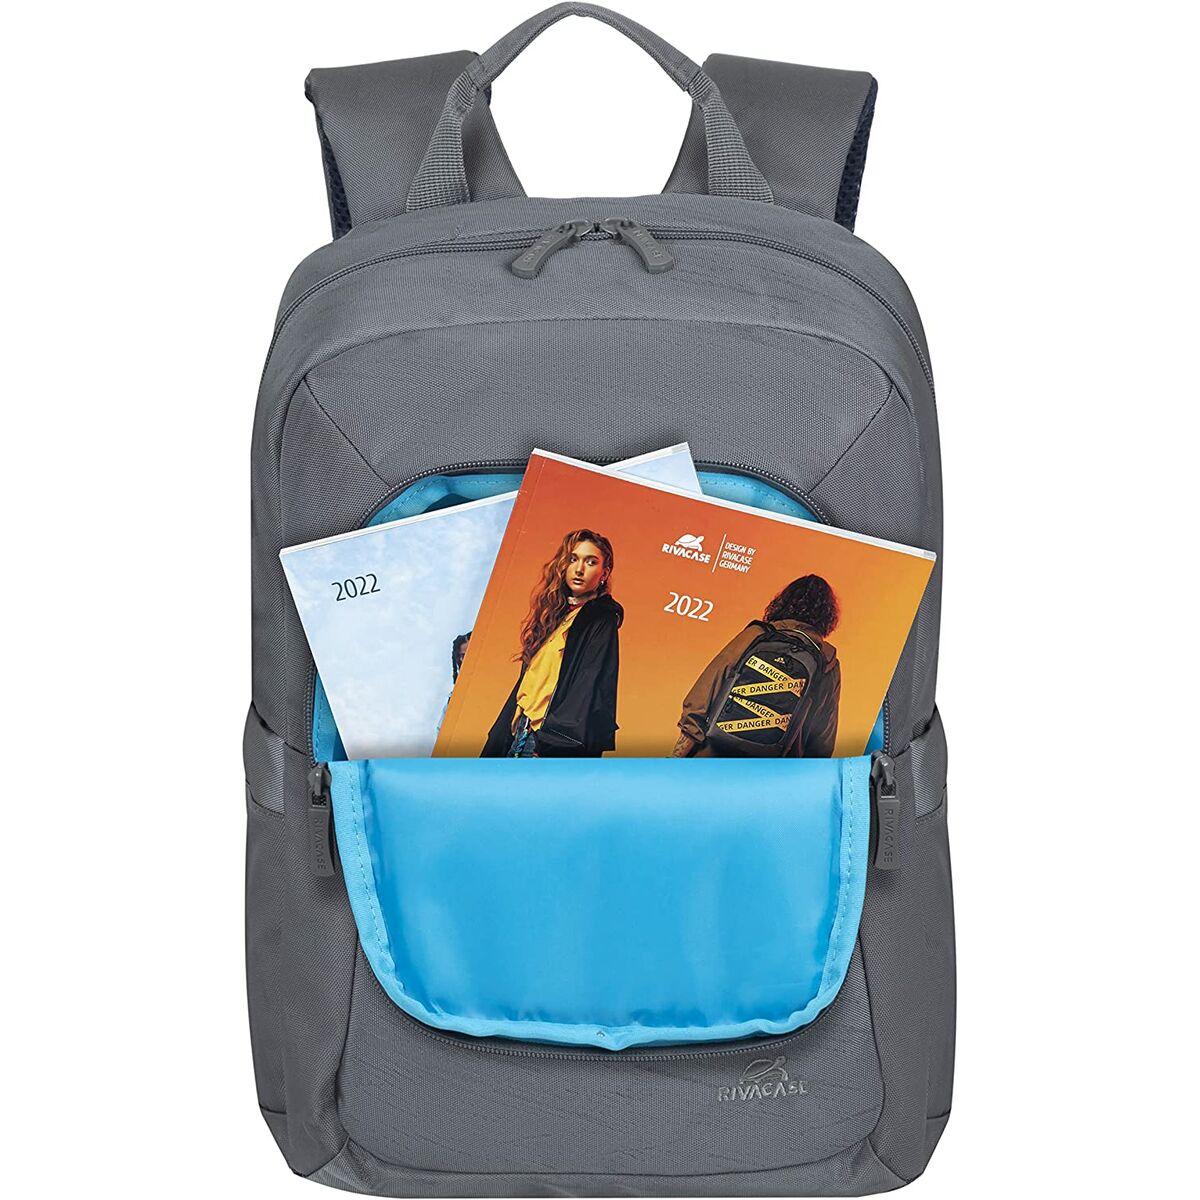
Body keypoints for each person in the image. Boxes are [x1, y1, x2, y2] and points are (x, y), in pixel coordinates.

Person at [482, 530, 623, 757]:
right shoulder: (557, 614)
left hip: (544, 742)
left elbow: (587, 688)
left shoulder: (600, 620)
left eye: (591, 562)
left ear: (604, 573)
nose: (579, 569)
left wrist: (553, 746)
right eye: (573, 559)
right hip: (518, 730)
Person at [673, 574, 842, 758]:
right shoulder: (827, 661)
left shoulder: (757, 634)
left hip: (713, 755)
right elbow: (822, 741)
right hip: (771, 768)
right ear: (827, 617)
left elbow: (705, 691)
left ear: (784, 602)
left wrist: (678, 757)